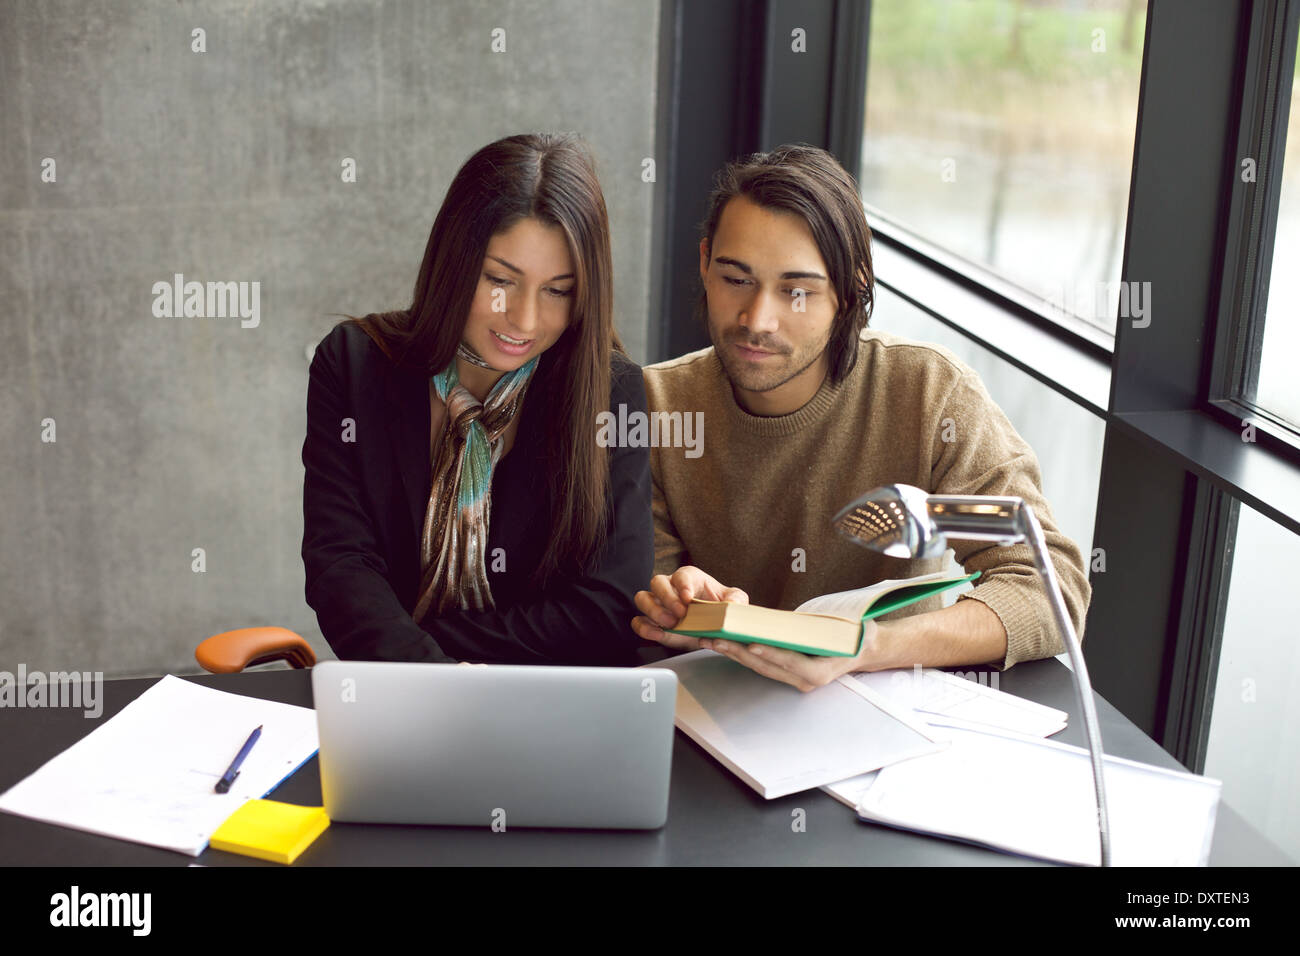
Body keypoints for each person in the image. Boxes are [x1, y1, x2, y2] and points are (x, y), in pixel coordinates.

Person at [631, 144, 1091, 690]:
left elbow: (1049, 588)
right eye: (736, 279)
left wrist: (864, 647)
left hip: (890, 717)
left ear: (853, 289)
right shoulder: (653, 407)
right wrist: (676, 598)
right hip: (719, 718)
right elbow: (640, 597)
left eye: (797, 291)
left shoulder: (929, 395)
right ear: (705, 263)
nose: (758, 319)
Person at [302, 133, 652, 665]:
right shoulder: (354, 367)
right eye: (499, 280)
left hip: (551, 707)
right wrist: (427, 679)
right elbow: (341, 569)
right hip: (401, 701)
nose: (525, 320)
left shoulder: (612, 392)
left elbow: (609, 606)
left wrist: (432, 655)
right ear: (455, 260)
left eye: (558, 290)